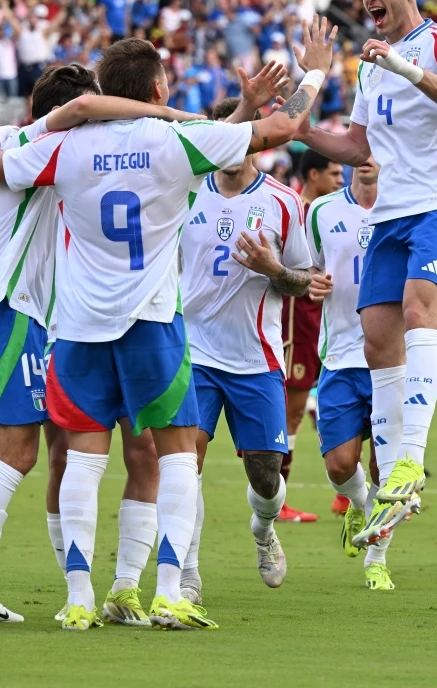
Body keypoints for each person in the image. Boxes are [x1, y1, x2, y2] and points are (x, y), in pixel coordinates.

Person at [0, 23, 334, 630]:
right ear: (158, 87)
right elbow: (283, 128)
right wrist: (316, 72)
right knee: (175, 457)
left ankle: (80, 600)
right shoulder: (173, 143)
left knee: (84, 462)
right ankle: (170, 589)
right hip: (151, 322)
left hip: (80, 326)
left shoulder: (67, 148)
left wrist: (56, 120)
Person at [0, 64, 202, 628]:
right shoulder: (41, 143)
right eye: (96, 111)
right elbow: (8, 148)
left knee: (2, 452)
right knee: (19, 453)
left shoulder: (18, 144)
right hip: (10, 310)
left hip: (1, 313)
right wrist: (164, 114)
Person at [297, 0, 437, 545]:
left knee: (415, 314)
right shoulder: (370, 65)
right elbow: (357, 146)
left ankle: (410, 461)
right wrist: (299, 126)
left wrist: (404, 68)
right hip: (391, 214)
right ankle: (388, 491)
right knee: (379, 340)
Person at [179, 92, 310, 599]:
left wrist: (274, 270)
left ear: (258, 137)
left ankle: (263, 530)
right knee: (183, 463)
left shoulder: (283, 202)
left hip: (255, 358)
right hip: (193, 352)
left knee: (266, 477)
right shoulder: (186, 192)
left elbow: (304, 279)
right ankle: (186, 574)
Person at [305, 156, 398, 589]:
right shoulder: (323, 211)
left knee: (387, 467)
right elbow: (303, 267)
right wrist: (309, 280)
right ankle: (359, 505)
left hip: (392, 362)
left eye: (377, 150)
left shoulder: (407, 207)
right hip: (341, 357)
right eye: (360, 150)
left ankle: (377, 559)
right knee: (340, 465)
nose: (367, 159)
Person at [279, 148, 344, 522]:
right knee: (291, 415)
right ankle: (276, 499)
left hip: (323, 325)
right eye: (334, 174)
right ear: (314, 175)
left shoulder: (328, 212)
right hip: (296, 324)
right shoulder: (299, 211)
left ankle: (345, 493)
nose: (340, 180)